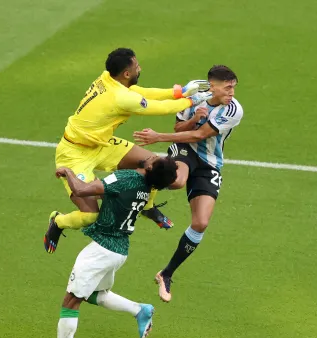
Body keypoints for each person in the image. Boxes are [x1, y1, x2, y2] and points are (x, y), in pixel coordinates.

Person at [44, 47, 211, 254]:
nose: (139, 68)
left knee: (155, 163)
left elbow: (141, 93)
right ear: (126, 73)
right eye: (136, 66)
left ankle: (147, 206)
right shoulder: (120, 98)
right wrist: (192, 100)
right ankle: (58, 221)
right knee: (90, 216)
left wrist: (179, 91)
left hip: (101, 144)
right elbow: (158, 108)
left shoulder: (108, 78)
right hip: (74, 154)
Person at [43, 156, 179, 338]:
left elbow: (83, 190)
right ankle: (139, 310)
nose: (152, 155)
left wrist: (68, 172)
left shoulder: (127, 178)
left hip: (101, 251)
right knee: (96, 294)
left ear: (150, 167)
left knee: (71, 301)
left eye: (156, 158)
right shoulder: (146, 188)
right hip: (119, 250)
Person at [132, 65, 243, 303]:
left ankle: (166, 273)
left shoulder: (234, 110)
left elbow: (199, 135)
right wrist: (193, 117)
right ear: (212, 86)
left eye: (234, 87)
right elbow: (179, 129)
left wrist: (158, 137)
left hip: (210, 163)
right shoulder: (194, 99)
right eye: (227, 88)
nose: (232, 92)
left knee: (201, 223)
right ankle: (140, 185)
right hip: (184, 151)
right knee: (177, 181)